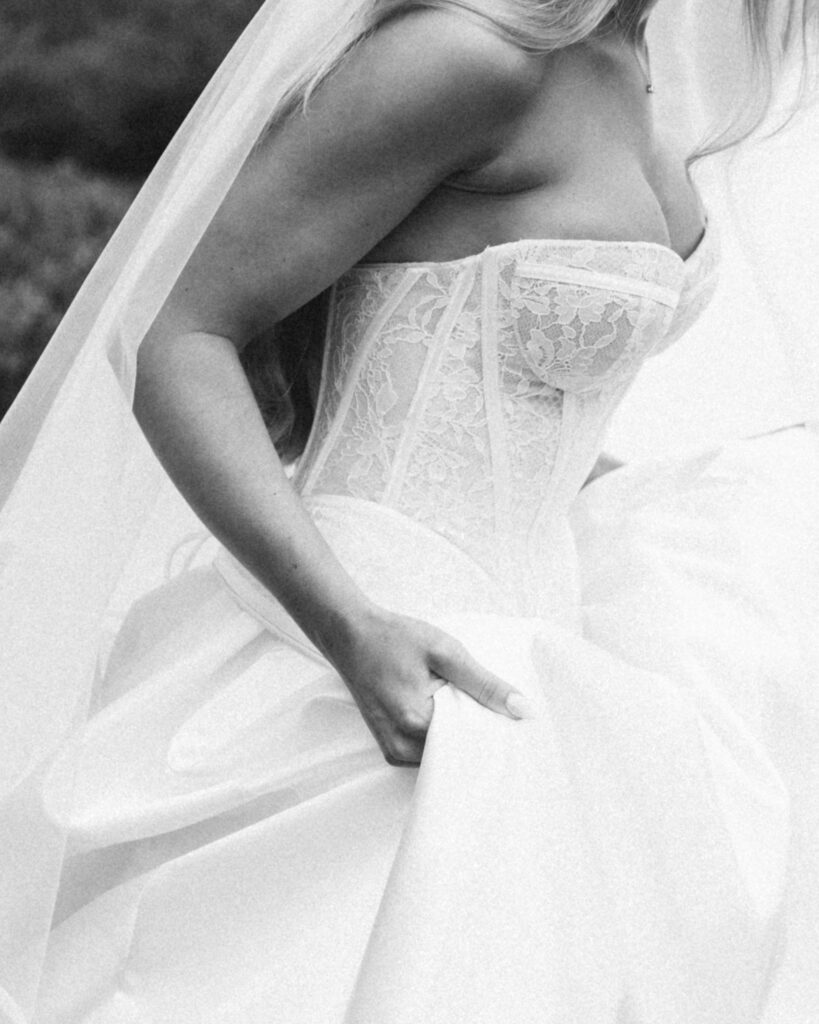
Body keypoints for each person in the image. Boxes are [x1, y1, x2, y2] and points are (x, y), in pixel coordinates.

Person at [2, 0, 819, 1021]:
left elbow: (524, 411)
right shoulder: (470, 59)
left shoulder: (648, 75)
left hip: (543, 676)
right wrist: (350, 627)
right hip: (361, 658)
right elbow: (172, 330)